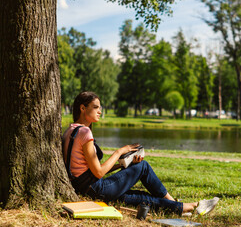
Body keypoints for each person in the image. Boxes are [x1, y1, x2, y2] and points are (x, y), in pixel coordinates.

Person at [62, 91, 219, 216]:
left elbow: (92, 171)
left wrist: (121, 165)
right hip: (95, 188)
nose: (100, 111)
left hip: (85, 188)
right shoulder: (84, 133)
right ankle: (182, 204)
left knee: (136, 196)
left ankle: (183, 208)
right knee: (143, 166)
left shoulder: (71, 130)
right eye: (96, 107)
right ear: (83, 108)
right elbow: (98, 172)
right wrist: (120, 152)